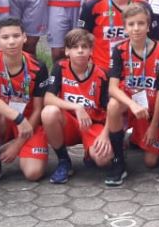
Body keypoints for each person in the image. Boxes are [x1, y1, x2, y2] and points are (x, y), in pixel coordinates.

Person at [0, 17, 51, 188]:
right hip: (6, 120)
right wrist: (18, 118)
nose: (11, 42)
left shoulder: (39, 66)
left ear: (24, 37)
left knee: (33, 173)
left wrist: (18, 144)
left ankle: (7, 146)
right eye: (5, 37)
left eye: (16, 36)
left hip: (29, 124)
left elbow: (38, 110)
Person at [43, 30, 118, 185]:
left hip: (93, 124)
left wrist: (105, 135)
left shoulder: (102, 74)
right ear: (67, 51)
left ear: (91, 50)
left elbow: (112, 108)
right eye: (75, 47)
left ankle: (89, 153)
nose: (80, 50)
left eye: (84, 46)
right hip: (68, 122)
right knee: (49, 112)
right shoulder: (59, 68)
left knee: (104, 159)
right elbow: (48, 98)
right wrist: (76, 107)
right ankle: (64, 161)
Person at [107, 3, 159, 170]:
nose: (136, 28)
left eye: (141, 23)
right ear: (125, 28)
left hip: (152, 114)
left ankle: (138, 134)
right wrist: (132, 105)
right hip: (132, 108)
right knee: (113, 104)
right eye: (131, 24)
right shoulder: (119, 50)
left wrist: (154, 125)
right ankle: (118, 160)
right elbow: (112, 88)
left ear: (148, 27)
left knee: (150, 162)